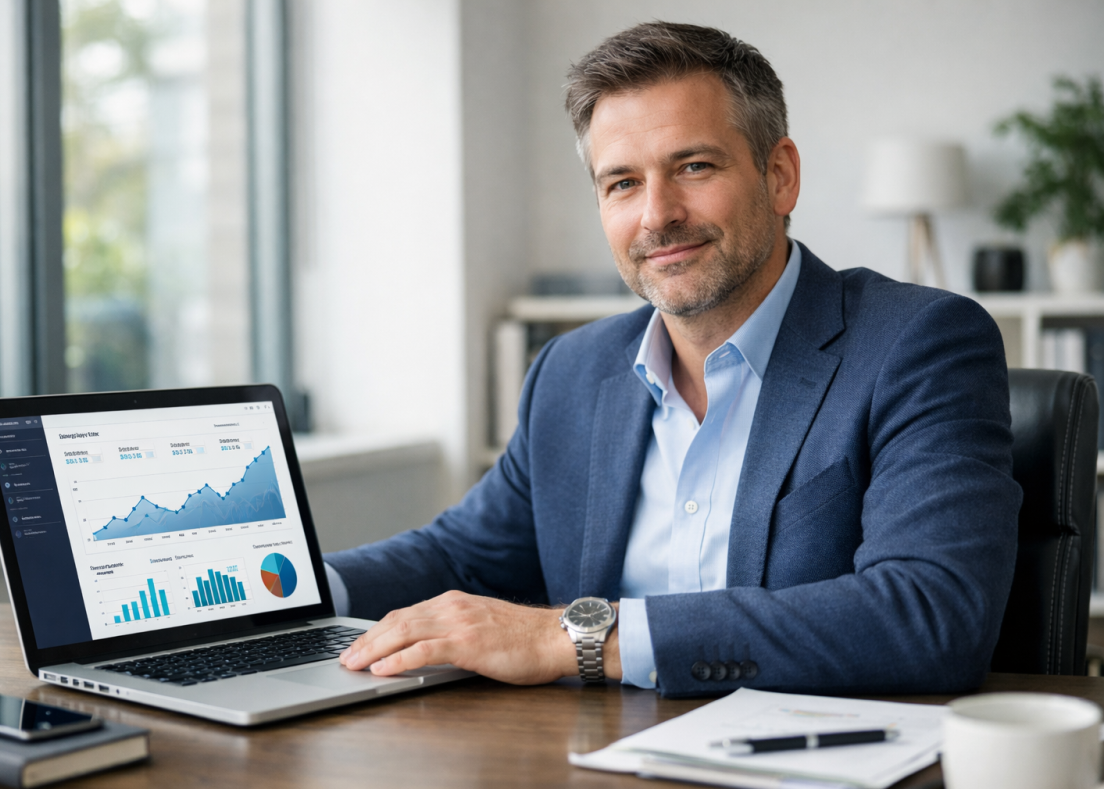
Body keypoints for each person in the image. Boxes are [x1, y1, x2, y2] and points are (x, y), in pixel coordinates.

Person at [326, 22, 1021, 697]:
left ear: (779, 176)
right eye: (622, 183)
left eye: (693, 166)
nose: (657, 215)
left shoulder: (918, 342)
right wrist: (286, 591)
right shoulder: (571, 372)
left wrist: (572, 639)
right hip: (588, 761)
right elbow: (460, 557)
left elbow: (932, 614)